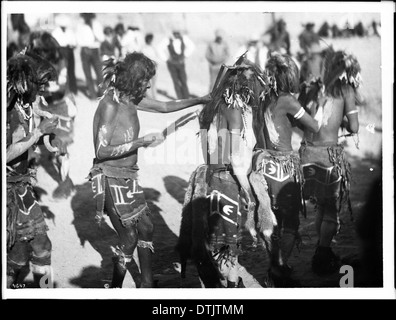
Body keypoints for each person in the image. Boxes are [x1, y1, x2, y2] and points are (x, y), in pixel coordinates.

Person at [88, 52, 211, 288]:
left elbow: (165, 106)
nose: (149, 84)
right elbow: (102, 151)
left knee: (146, 227)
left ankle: (146, 284)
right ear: (134, 79)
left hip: (128, 176)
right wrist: (140, 142)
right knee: (130, 238)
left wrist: (200, 100)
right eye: (146, 80)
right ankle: (114, 288)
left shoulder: (130, 99)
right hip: (110, 177)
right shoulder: (110, 105)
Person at [176, 55, 290, 288]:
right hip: (227, 179)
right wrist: (248, 189)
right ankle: (234, 286)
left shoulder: (210, 108)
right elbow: (236, 158)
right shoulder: (235, 112)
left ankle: (231, 282)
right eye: (254, 87)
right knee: (230, 245)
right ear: (243, 88)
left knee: (219, 242)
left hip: (207, 177)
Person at [253, 52, 321, 286]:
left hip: (262, 167)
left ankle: (277, 267)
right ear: (287, 77)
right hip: (283, 168)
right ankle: (277, 271)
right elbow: (313, 126)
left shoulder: (262, 98)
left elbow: (280, 123)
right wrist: (316, 104)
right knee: (290, 222)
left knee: (271, 221)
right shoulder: (287, 100)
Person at [298, 49, 361, 276]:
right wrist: (341, 121)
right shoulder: (345, 89)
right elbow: (354, 127)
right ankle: (323, 254)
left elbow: (299, 120)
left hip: (306, 153)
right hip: (328, 156)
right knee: (331, 210)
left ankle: (320, 248)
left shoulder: (311, 88)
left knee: (320, 207)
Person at [6, 51, 64, 288]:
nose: (43, 91)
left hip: (21, 187)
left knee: (22, 253)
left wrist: (48, 141)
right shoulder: (8, 109)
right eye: (40, 85)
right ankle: (44, 291)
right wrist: (40, 133)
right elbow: (6, 154)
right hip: (8, 192)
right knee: (40, 246)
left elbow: (27, 140)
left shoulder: (25, 104)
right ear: (26, 82)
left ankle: (31, 288)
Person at [28, 31, 77, 199]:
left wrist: (40, 89)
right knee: (35, 141)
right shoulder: (35, 60)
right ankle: (28, 182)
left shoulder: (60, 61)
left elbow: (61, 87)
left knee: (60, 146)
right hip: (42, 105)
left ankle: (66, 182)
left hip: (60, 106)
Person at [158, 29, 195, 99]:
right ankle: (180, 98)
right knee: (176, 81)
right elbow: (159, 48)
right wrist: (166, 59)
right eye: (175, 33)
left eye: (178, 33)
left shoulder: (184, 39)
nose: (176, 35)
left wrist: (185, 56)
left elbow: (192, 46)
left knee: (183, 80)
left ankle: (186, 97)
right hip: (172, 64)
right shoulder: (168, 39)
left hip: (181, 63)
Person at [76, 13, 104, 99]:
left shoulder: (97, 24)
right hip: (85, 50)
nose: (87, 18)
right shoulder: (80, 25)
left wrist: (94, 30)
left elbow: (102, 38)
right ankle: (92, 95)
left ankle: (101, 93)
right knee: (88, 74)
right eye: (85, 16)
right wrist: (86, 45)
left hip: (95, 50)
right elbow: (78, 39)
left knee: (99, 73)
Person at [52, 14, 78, 94]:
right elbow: (54, 44)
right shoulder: (55, 32)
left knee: (71, 71)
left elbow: (74, 42)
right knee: (63, 71)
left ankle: (73, 90)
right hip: (61, 51)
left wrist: (72, 45)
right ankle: (63, 90)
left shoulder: (70, 31)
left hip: (69, 50)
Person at [141, 33, 159, 98]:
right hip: (147, 68)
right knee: (147, 83)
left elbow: (157, 57)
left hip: (154, 67)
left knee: (154, 84)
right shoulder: (143, 48)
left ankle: (154, 97)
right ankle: (148, 97)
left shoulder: (154, 47)